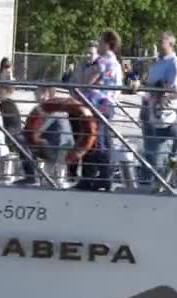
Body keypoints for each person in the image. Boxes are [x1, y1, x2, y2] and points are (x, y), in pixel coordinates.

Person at [14, 86, 96, 186]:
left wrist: (23, 134)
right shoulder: (50, 110)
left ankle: (31, 176)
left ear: (47, 93)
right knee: (49, 181)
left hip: (59, 149)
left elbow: (37, 130)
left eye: (38, 92)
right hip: (57, 146)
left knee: (21, 140)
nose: (35, 95)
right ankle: (34, 176)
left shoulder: (53, 110)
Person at [75, 31, 123, 191]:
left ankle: (103, 177)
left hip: (97, 105)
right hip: (107, 105)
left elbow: (88, 81)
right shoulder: (116, 62)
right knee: (101, 141)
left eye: (101, 41)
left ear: (107, 43)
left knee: (95, 142)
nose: (99, 44)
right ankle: (93, 176)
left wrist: (80, 82)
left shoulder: (103, 61)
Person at [137, 31, 177, 183]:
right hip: (149, 110)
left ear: (170, 44)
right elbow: (151, 84)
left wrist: (164, 98)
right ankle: (149, 180)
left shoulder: (175, 64)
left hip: (162, 113)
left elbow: (175, 89)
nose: (158, 44)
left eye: (161, 42)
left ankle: (168, 175)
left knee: (157, 151)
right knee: (149, 151)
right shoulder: (157, 62)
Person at [0, 84, 21, 152]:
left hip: (9, 140)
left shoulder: (6, 105)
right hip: (12, 137)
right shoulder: (8, 103)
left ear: (3, 91)